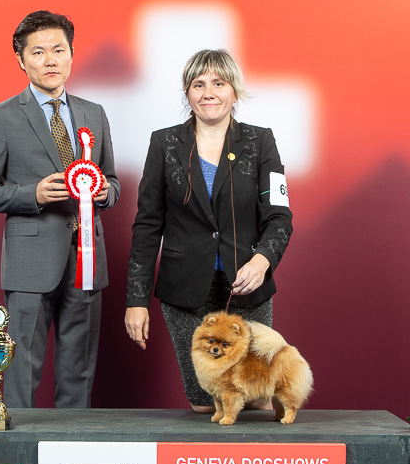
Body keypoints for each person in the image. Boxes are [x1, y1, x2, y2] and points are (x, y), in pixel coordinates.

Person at [0, 10, 120, 408]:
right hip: (30, 261)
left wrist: (104, 193)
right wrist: (31, 195)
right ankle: (20, 438)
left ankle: (72, 438)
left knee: (80, 368)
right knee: (21, 365)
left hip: (88, 258)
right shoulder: (1, 116)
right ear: (21, 60)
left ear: (71, 54)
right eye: (38, 52)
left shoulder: (93, 113)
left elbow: (112, 180)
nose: (50, 60)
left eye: (59, 50)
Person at [124, 49, 292, 412]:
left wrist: (262, 261)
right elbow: (147, 225)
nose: (208, 93)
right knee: (206, 404)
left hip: (248, 289)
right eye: (198, 85)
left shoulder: (260, 141)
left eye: (219, 83)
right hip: (184, 294)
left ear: (234, 91)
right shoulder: (164, 143)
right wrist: (136, 301)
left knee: (256, 399)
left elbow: (279, 216)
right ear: (187, 93)